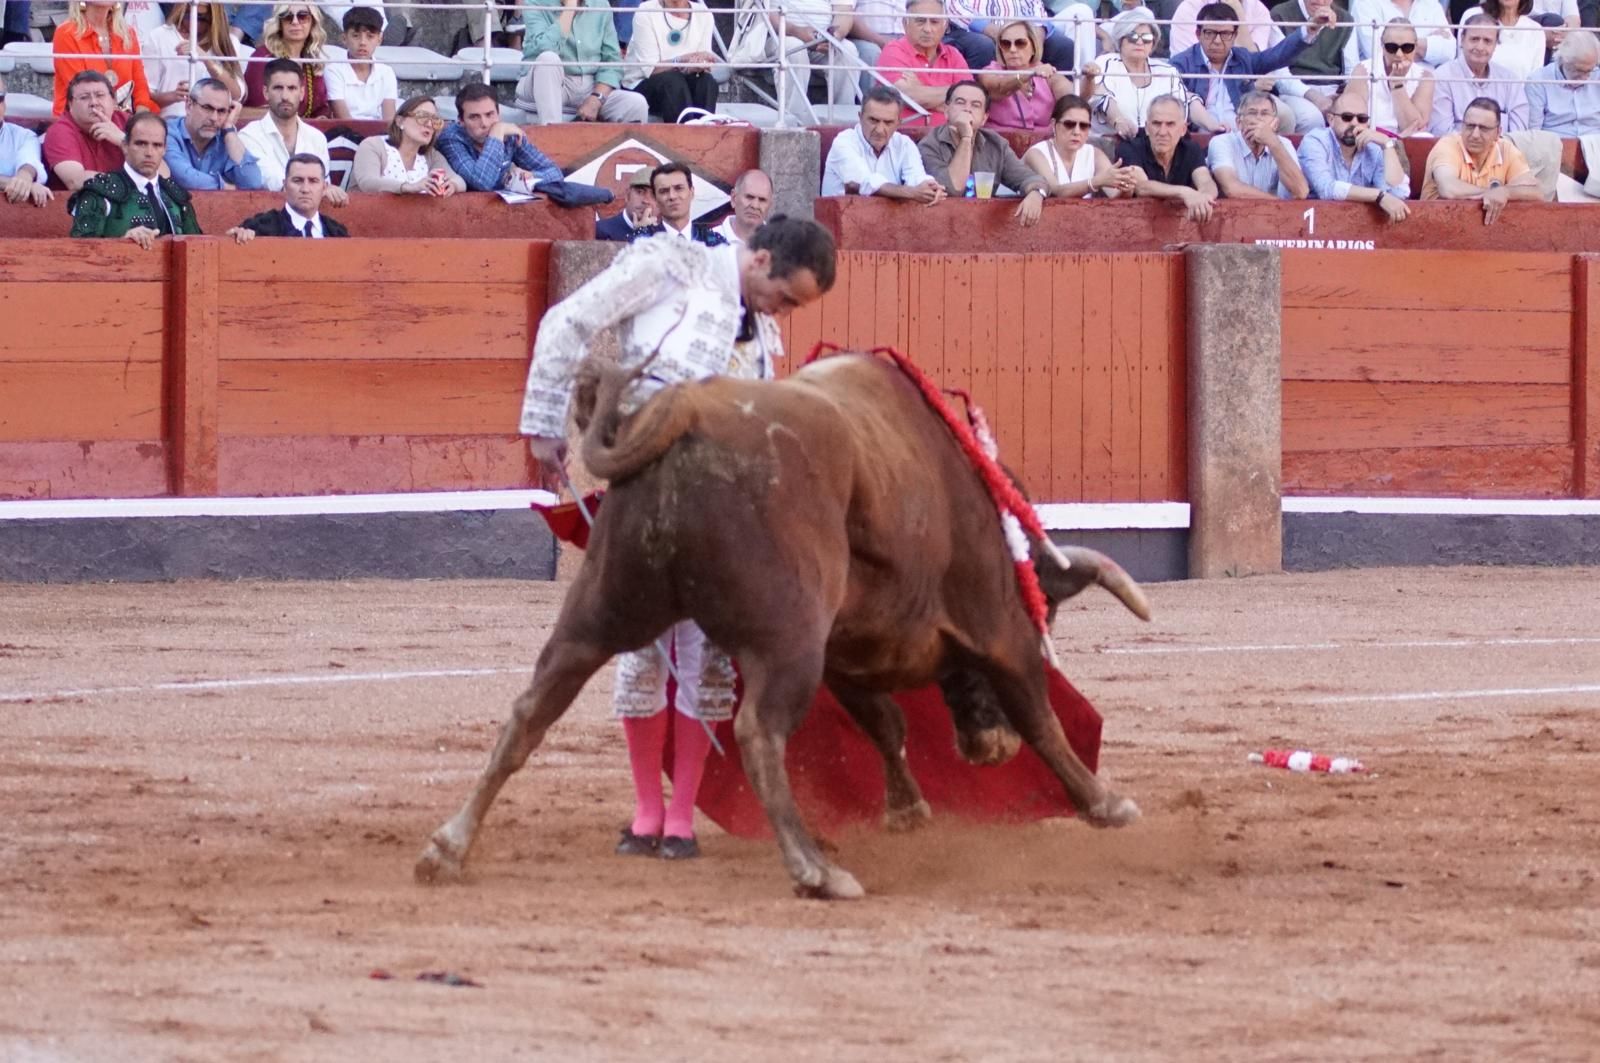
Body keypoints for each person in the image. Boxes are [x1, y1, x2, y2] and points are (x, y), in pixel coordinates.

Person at [520, 217, 838, 861]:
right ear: (760, 260)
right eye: (787, 297)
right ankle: (646, 812)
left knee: (707, 656)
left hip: (726, 509)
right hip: (647, 487)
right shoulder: (670, 266)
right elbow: (567, 322)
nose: (784, 312)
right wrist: (543, 423)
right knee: (642, 651)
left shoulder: (761, 327)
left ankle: (681, 819)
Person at [1170, 1, 1328, 134]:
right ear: (1198, 34)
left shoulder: (1242, 58)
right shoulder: (1182, 63)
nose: (1217, 41)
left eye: (1225, 34)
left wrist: (1310, 29)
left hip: (1242, 135)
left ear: (1234, 36)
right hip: (1199, 135)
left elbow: (1279, 55)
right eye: (1210, 33)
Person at [918, 80, 1049, 223]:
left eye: (976, 105)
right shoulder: (929, 144)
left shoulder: (996, 144)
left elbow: (1029, 178)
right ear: (946, 111)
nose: (967, 109)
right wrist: (966, 138)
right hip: (942, 226)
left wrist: (1036, 193)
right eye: (960, 102)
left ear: (984, 118)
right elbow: (952, 188)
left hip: (984, 227)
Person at [68, 110, 200, 247]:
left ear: (164, 149)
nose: (149, 153)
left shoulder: (176, 195)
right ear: (125, 146)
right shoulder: (99, 192)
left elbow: (198, 248)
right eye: (141, 144)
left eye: (157, 145)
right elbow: (80, 251)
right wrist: (123, 241)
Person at [517, 0, 650, 124]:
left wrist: (595, 99)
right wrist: (569, 9)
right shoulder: (534, 2)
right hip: (545, 80)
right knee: (548, 59)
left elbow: (612, 62)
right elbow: (544, 48)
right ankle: (553, 138)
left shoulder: (600, 5)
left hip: (590, 86)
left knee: (637, 104)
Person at [238, 58, 346, 204]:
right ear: (265, 92)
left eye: (292, 88)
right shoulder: (249, 136)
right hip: (266, 216)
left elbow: (324, 183)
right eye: (278, 88)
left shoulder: (317, 137)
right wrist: (317, 187)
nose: (285, 96)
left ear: (302, 92)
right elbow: (269, 181)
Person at [1421, 95, 1541, 221]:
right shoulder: (1448, 145)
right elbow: (1448, 188)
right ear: (1462, 126)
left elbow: (1536, 191)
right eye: (1470, 126)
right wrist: (1490, 193)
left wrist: (1505, 192)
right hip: (1439, 225)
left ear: (1498, 133)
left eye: (1484, 128)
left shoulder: (1506, 149)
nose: (1475, 135)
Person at [1086, 8, 1204, 134]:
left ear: (1153, 43)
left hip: (1158, 141)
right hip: (1114, 140)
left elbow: (1183, 104)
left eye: (1146, 37)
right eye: (1132, 36)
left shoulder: (1167, 71)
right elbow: (1102, 97)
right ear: (1120, 39)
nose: (1140, 41)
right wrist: (1118, 120)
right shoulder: (1106, 62)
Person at [1297, 89, 1411, 216]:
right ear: (1331, 119)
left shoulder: (1374, 148)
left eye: (1362, 119)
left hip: (1355, 227)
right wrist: (1378, 196)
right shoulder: (1315, 141)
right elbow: (1326, 189)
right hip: (1308, 225)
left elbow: (1399, 193)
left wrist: (1387, 144)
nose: (1354, 123)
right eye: (1347, 117)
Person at [823, 84, 946, 199]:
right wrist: (912, 193)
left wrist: (930, 187)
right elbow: (865, 182)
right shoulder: (844, 142)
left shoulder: (904, 144)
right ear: (860, 117)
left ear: (899, 123)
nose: (880, 130)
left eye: (888, 123)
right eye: (873, 120)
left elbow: (916, 176)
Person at [435, 82, 563, 193]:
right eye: (474, 117)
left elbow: (555, 173)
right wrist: (496, 133)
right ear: (461, 121)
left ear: (498, 114)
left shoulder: (510, 134)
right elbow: (481, 183)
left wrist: (530, 176)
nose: (484, 124)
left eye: (489, 114)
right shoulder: (450, 138)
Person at [1114, 92, 1219, 219]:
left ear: (1183, 129)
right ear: (1147, 128)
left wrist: (1203, 197)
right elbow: (1141, 187)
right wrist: (1185, 193)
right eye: (1156, 124)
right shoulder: (1130, 147)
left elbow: (1206, 182)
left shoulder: (1190, 148)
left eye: (1170, 124)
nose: (1162, 132)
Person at [52, 0, 158, 116]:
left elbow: (140, 85)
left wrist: (140, 118)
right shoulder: (66, 33)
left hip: (123, 119)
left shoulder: (127, 33)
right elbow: (81, 90)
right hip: (79, 119)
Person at [765, 0, 862, 126]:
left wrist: (835, 36)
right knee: (794, 48)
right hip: (780, 36)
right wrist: (797, 31)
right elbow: (767, 13)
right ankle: (793, 123)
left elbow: (844, 11)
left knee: (847, 51)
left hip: (822, 38)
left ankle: (842, 123)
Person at [141, 3, 247, 118]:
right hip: (171, 124)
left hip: (214, 123)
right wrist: (173, 96)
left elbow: (236, 94)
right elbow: (146, 96)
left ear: (213, 17)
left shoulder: (227, 41)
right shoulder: (159, 36)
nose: (193, 21)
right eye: (187, 14)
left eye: (200, 17)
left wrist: (207, 60)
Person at [1023, 93, 1140, 197]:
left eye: (1083, 126)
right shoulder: (1036, 153)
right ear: (1054, 124)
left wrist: (1127, 187)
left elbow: (1115, 196)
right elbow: (1055, 191)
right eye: (1069, 124)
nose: (1077, 132)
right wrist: (1095, 182)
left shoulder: (1094, 154)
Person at [622, 0, 720, 123]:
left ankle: (707, 132)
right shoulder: (646, 11)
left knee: (706, 81)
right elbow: (650, 68)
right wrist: (681, 60)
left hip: (683, 80)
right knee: (673, 80)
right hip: (643, 84)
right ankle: (682, 135)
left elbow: (704, 58)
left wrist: (698, 65)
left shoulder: (704, 14)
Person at [876, 0, 971, 125]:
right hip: (906, 137)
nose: (927, 29)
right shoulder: (893, 51)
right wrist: (954, 98)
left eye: (934, 22)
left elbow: (970, 98)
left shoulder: (954, 55)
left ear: (945, 25)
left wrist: (921, 89)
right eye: (920, 21)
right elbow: (908, 96)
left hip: (951, 137)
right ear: (905, 24)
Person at [1429, 15, 1529, 131]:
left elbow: (1519, 132)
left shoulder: (1510, 80)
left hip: (1501, 148)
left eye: (1487, 41)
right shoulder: (1442, 78)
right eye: (1474, 39)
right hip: (1454, 148)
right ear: (1462, 39)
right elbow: (1442, 131)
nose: (1480, 47)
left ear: (1495, 45)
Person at [349, 94, 466, 194]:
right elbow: (368, 182)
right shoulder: (373, 145)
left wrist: (452, 185)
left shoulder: (431, 155)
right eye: (422, 117)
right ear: (400, 121)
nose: (430, 125)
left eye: (435, 120)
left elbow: (459, 181)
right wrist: (409, 187)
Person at [163, 77, 263, 189]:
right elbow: (185, 178)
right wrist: (225, 187)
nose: (214, 118)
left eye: (221, 111)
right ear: (189, 106)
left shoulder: (226, 138)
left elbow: (253, 182)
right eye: (207, 108)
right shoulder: (167, 133)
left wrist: (229, 129)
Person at [1206, 90, 1309, 196]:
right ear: (1238, 122)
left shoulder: (1284, 144)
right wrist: (1278, 203)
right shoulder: (1222, 142)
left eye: (1265, 113)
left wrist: (1272, 142)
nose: (1258, 118)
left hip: (1273, 212)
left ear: (1275, 124)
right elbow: (1231, 188)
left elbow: (1301, 191)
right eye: (1252, 113)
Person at [43, 71, 134, 190]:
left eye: (100, 95)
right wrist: (130, 186)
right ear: (70, 104)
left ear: (113, 101)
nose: (94, 103)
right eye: (84, 97)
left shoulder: (128, 122)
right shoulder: (60, 131)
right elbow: (76, 181)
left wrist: (124, 141)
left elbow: (162, 173)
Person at [977, 19, 1074, 131]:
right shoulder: (990, 71)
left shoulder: (1045, 71)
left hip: (1042, 144)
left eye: (1020, 43)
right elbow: (999, 88)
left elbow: (1071, 96)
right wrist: (1029, 74)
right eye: (1006, 44)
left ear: (1033, 47)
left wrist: (1089, 80)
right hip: (998, 142)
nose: (1012, 49)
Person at [241, 2, 331, 119]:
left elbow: (321, 109)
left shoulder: (312, 61)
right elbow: (256, 108)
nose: (295, 22)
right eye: (287, 17)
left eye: (302, 16)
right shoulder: (264, 57)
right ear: (280, 24)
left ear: (312, 22)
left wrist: (321, 118)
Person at [1347, 18, 1436, 135]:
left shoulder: (1424, 77)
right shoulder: (1363, 70)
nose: (1399, 54)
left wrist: (1397, 84)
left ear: (1416, 47)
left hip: (1404, 142)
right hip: (1368, 137)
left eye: (1407, 48)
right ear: (1382, 46)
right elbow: (1350, 117)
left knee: (1424, 136)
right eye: (1392, 47)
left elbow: (1416, 127)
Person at [229, 152, 352, 236]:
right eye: (297, 180)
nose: (305, 189)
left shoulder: (337, 232)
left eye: (313, 181)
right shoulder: (257, 228)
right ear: (285, 185)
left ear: (324, 187)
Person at [1268, 0, 1358, 113]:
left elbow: (1351, 71)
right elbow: (1280, 75)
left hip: (1334, 91)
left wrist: (1343, 97)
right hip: (1296, 92)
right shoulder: (1280, 14)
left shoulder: (1346, 19)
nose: (1320, 0)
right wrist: (1315, 97)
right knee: (1311, 118)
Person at [943, 0, 1075, 71]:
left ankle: (1062, 111)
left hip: (1022, 31)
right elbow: (954, 7)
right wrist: (991, 30)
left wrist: (1036, 36)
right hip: (971, 31)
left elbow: (1036, 8)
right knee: (983, 44)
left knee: (1063, 46)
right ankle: (982, 103)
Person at [325, 6, 398, 121]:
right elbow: (344, 119)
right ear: (344, 38)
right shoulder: (333, 71)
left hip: (378, 134)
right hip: (345, 134)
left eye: (370, 36)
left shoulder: (386, 72)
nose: (363, 43)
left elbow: (389, 120)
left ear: (379, 39)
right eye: (355, 36)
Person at [1525, 28, 1600, 134]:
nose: (1585, 78)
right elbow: (1533, 132)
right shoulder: (1538, 81)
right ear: (1564, 60)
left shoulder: (1597, 76)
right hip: (1554, 144)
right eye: (1579, 71)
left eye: (1589, 71)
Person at [638, 161, 727, 243]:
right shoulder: (642, 242)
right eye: (664, 191)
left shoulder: (714, 242)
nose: (672, 196)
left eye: (679, 188)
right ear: (655, 198)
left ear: (691, 192)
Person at [0, 73, 53, 206]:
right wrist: (13, 183)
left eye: (0, 97)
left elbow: (29, 163)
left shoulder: (23, 136)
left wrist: (25, 178)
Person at [1349, 0, 1456, 65]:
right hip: (1382, 87)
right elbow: (1377, 53)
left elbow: (1449, 52)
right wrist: (1428, 43)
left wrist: (1395, 45)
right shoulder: (1365, 3)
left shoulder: (1430, 4)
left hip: (1426, 85)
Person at [1456, 0, 1546, 76]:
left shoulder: (1536, 30)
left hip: (1517, 95)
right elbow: (1462, 65)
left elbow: (1534, 81)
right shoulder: (1473, 15)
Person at [711, 169, 775, 243]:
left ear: (770, 204)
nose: (755, 206)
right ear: (734, 198)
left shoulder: (780, 247)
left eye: (762, 200)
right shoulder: (706, 244)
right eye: (749, 197)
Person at [595, 167, 658, 239]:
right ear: (627, 196)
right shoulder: (602, 231)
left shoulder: (664, 234)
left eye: (654, 195)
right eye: (640, 192)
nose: (646, 200)